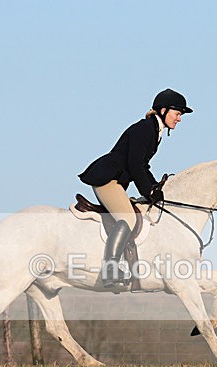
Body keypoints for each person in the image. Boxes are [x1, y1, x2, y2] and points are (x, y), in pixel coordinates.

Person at [78, 88, 193, 288]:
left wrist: (155, 187)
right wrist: (148, 191)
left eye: (181, 115)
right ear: (163, 110)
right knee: (128, 218)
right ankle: (110, 269)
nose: (179, 119)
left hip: (116, 181)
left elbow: (143, 166)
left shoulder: (155, 131)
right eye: (177, 113)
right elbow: (135, 165)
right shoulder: (145, 128)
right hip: (107, 179)